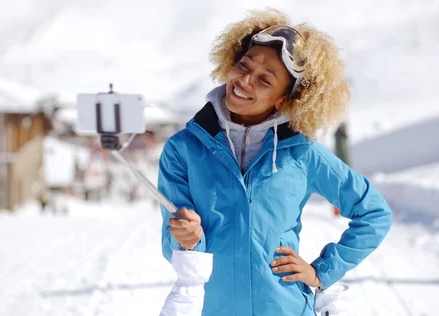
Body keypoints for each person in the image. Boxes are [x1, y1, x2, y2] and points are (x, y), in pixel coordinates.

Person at [158, 9, 392, 316]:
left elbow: (374, 212)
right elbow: (170, 241)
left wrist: (322, 272)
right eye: (244, 65)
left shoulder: (302, 153)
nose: (245, 80)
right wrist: (187, 241)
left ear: (284, 100)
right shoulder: (182, 149)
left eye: (264, 80)